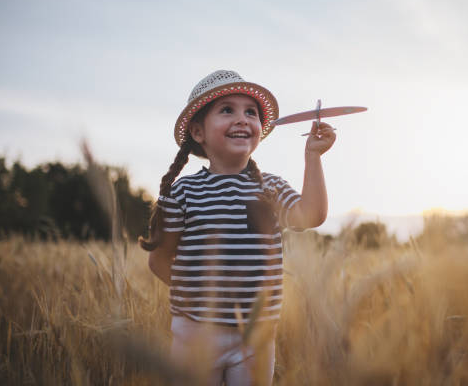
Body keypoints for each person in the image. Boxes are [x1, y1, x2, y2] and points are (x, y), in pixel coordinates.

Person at [139, 70, 336, 385]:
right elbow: (159, 260)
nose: (243, 119)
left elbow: (311, 215)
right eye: (227, 110)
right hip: (196, 333)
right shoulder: (183, 192)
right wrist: (197, 300)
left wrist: (313, 156)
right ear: (198, 132)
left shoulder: (270, 188)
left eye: (251, 112)